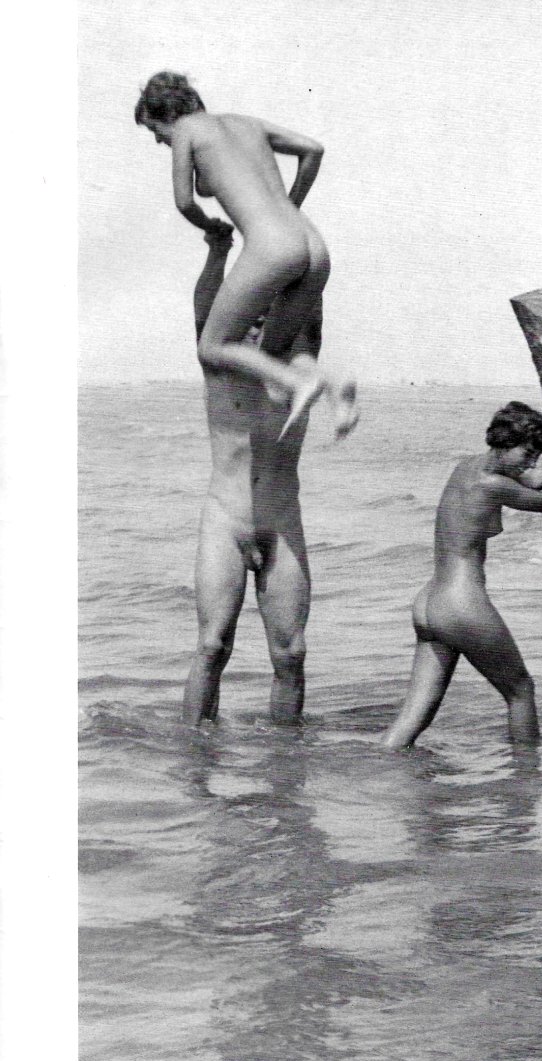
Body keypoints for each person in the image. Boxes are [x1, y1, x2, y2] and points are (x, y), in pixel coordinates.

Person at [135, 70, 358, 440]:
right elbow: (313, 149)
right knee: (274, 353)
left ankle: (298, 383)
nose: (159, 140)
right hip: (313, 244)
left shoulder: (187, 129)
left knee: (213, 346)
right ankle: (333, 381)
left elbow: (184, 202)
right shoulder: (246, 123)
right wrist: (289, 206)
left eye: (155, 131)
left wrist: (210, 225)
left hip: (273, 248)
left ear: (167, 114)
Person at [180, 224, 320, 725]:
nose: (259, 321)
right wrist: (218, 251)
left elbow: (311, 292)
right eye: (249, 312)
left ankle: (287, 760)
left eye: (270, 312)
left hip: (282, 522)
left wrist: (284, 218)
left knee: (291, 653)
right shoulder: (219, 362)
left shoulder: (300, 366)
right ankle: (194, 756)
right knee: (212, 645)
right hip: (226, 520)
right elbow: (204, 314)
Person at [381, 403, 542, 750]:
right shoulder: (493, 485)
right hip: (461, 604)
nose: (532, 463)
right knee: (521, 691)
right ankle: (528, 777)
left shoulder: (469, 467)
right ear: (503, 443)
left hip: (430, 603)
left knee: (412, 718)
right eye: (527, 454)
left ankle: (377, 773)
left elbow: (533, 478)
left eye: (537, 456)